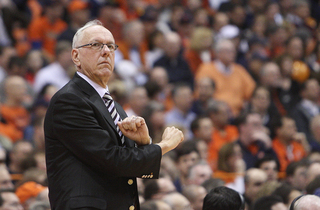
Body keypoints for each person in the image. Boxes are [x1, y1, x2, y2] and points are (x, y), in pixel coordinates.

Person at [44, 20, 184, 210]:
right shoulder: (69, 100)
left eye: (111, 46)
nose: (106, 51)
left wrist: (143, 143)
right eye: (95, 45)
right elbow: (111, 159)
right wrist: (165, 145)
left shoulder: (114, 105)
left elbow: (127, 164)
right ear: (76, 56)